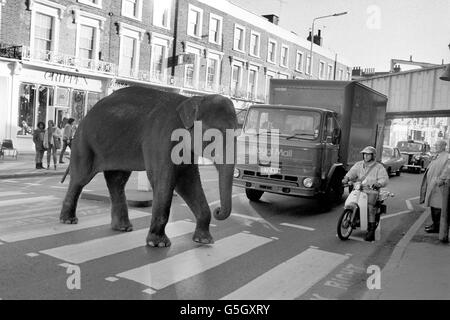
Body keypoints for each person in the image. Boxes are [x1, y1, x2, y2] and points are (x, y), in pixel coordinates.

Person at [342, 146, 389, 241]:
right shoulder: (359, 164)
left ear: (373, 156)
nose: (366, 156)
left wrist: (378, 183)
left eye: (368, 154)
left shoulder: (379, 167)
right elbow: (352, 172)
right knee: (352, 201)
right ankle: (354, 217)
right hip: (359, 189)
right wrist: (346, 178)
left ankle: (371, 231)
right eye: (365, 154)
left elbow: (384, 179)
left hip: (372, 191)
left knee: (370, 207)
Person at [420, 140, 450, 233]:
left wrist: (440, 180)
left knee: (438, 206)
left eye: (438, 145)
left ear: (443, 146)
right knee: (433, 205)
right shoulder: (438, 156)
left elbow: (447, 170)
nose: (435, 146)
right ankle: (435, 224)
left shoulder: (447, 157)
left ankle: (437, 226)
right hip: (433, 185)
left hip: (439, 186)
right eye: (435, 145)